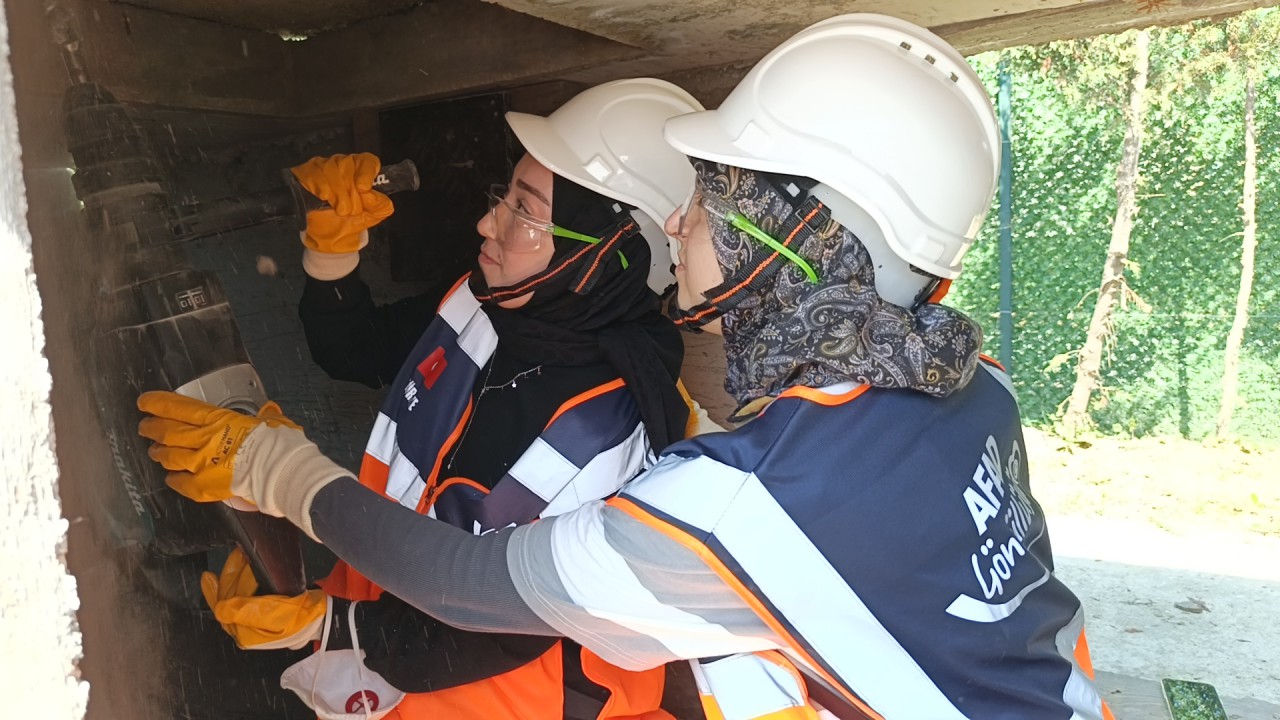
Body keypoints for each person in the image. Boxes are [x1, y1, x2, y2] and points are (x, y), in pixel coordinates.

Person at [140, 15, 1117, 720]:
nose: (680, 222)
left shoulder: (733, 501)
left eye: (713, 202)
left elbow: (471, 587)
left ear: (794, 244)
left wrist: (280, 476)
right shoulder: (972, 385)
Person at [151, 78, 708, 720]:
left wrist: (326, 625)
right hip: (383, 636)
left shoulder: (612, 437)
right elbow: (354, 350)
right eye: (505, 196)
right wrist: (333, 252)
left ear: (607, 255)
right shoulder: (489, 305)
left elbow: (488, 631)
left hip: (498, 700)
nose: (487, 222)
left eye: (525, 213)